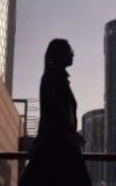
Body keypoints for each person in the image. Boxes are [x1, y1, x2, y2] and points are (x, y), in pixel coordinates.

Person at [19, 39, 92, 186]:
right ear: (59, 54)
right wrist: (71, 135)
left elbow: (51, 113)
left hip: (56, 145)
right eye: (69, 51)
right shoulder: (54, 78)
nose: (73, 54)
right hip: (59, 145)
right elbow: (55, 112)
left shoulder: (54, 78)